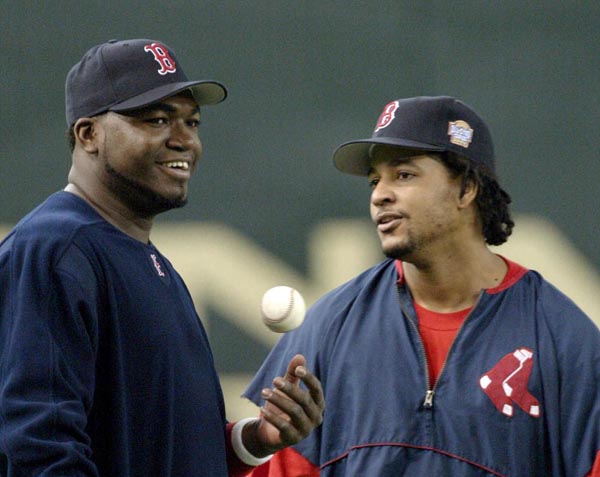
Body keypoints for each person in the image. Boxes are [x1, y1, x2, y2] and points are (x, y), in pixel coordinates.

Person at [0, 38, 324, 476]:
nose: (184, 140)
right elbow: (39, 450)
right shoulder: (56, 249)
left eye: (192, 122)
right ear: (88, 134)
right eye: (156, 119)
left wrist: (256, 440)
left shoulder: (149, 262)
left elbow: (169, 449)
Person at [244, 96, 600, 476]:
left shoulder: (564, 340)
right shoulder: (329, 325)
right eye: (375, 180)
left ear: (466, 189)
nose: (379, 195)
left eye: (404, 175)